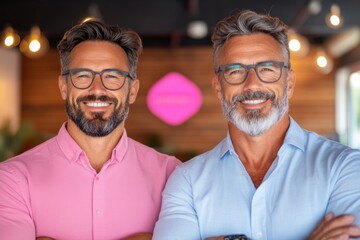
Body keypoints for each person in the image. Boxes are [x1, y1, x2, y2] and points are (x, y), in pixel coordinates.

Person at [153, 9, 360, 240]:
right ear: (218, 87)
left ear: (289, 83)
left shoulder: (344, 167)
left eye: (267, 69)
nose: (252, 84)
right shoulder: (187, 181)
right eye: (235, 71)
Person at [0, 20, 181, 239]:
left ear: (132, 91)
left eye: (112, 77)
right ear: (64, 87)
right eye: (83, 76)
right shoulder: (11, 179)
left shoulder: (172, 175)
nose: (97, 90)